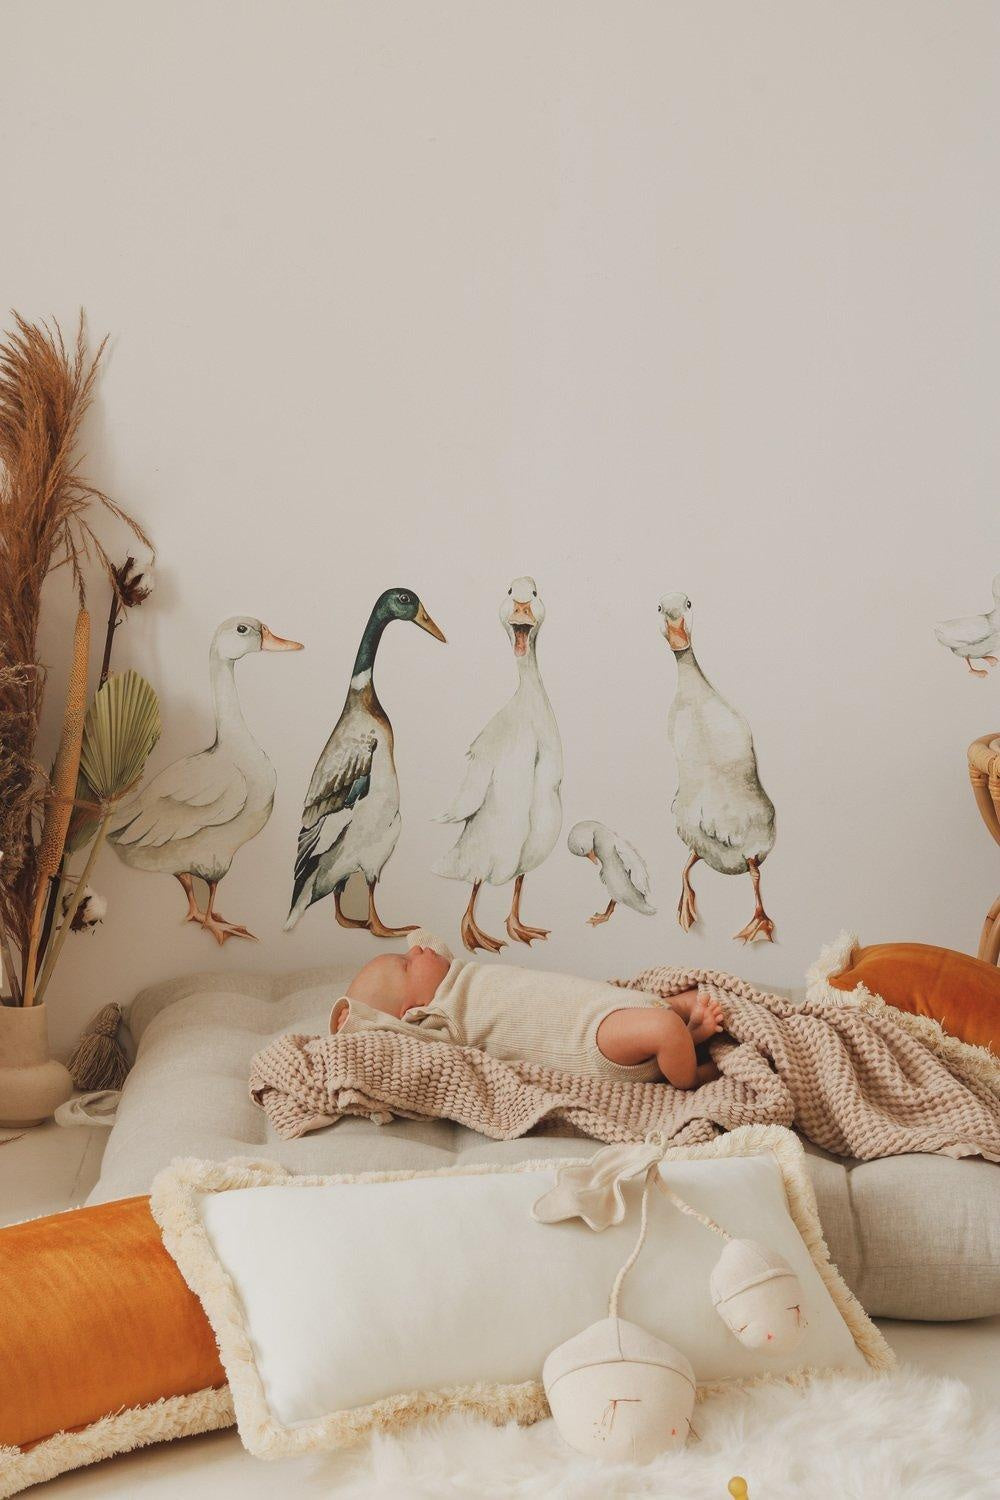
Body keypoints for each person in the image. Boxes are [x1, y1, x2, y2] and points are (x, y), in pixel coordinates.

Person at [332, 931, 722, 1090]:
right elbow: (396, 1041)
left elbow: (426, 940)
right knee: (664, 1028)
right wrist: (357, 1020)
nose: (416, 950)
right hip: (589, 1040)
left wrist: (418, 955)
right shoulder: (439, 1020)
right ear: (412, 1010)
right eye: (406, 963)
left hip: (600, 1003)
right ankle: (691, 1076)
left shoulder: (454, 974)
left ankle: (688, 1036)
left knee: (685, 1001)